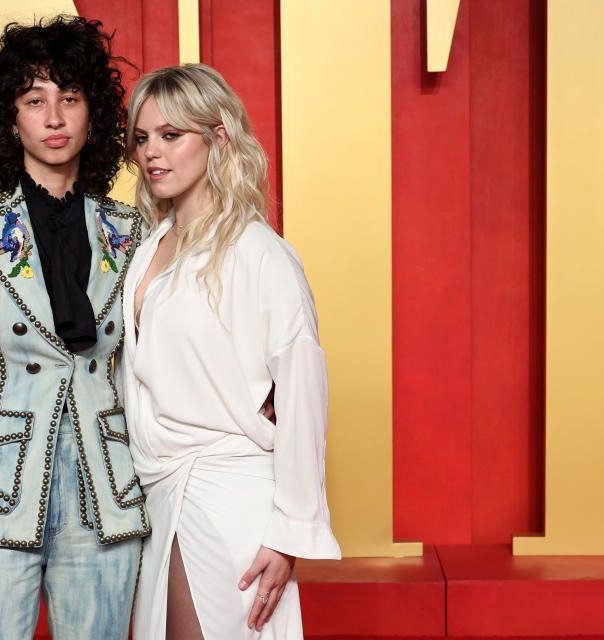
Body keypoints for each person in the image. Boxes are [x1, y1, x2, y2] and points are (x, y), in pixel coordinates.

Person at [0, 16, 150, 640]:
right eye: (34, 100)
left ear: (93, 112)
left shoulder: (136, 231)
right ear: (10, 119)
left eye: (70, 97)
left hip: (106, 493)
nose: (55, 116)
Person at [118, 63, 342, 639]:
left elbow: (301, 390)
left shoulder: (258, 253)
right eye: (142, 138)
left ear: (218, 138)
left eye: (172, 136)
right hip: (159, 494)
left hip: (228, 497)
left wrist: (289, 531)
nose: (152, 153)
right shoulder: (150, 248)